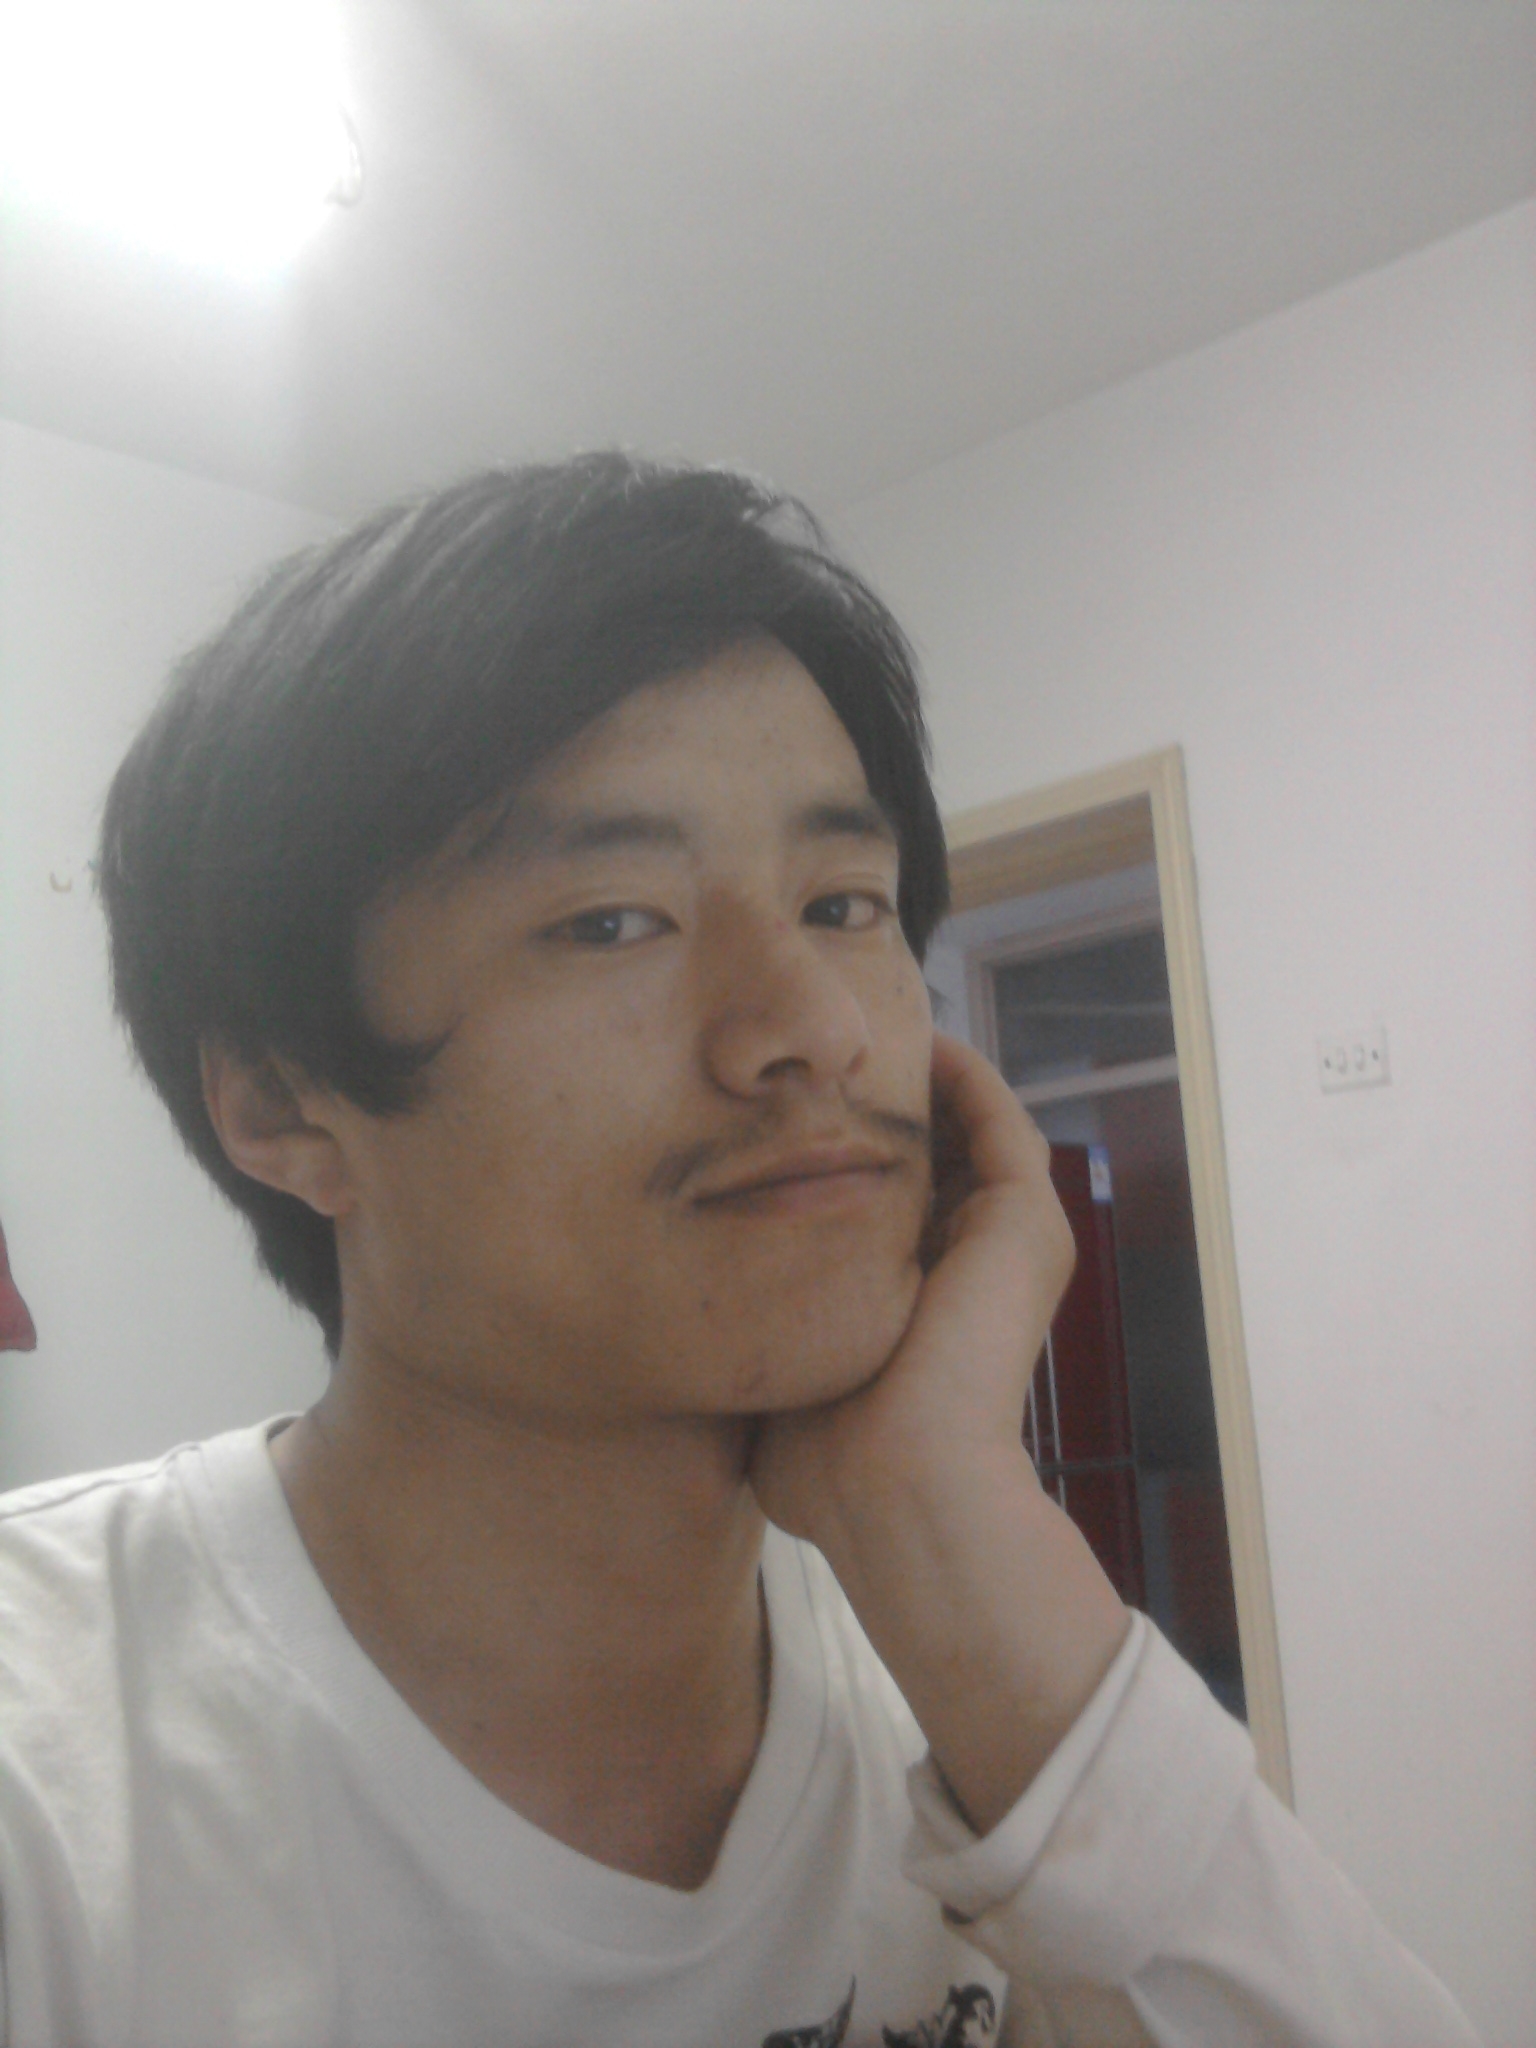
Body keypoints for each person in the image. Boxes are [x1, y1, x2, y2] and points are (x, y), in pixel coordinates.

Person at [0, 456, 1479, 2047]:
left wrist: (951, 1525)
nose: (816, 1026)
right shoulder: (57, 1768)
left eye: (845, 904)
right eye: (611, 921)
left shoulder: (960, 1667)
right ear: (281, 1099)